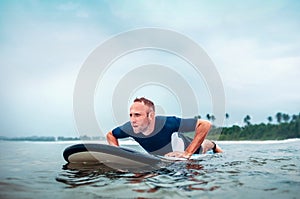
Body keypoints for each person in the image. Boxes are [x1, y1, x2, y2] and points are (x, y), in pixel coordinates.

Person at [106, 97, 223, 159]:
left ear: (151, 116)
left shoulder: (168, 123)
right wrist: (119, 155)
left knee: (204, 146)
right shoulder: (130, 128)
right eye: (131, 115)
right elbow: (110, 135)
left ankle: (214, 144)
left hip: (188, 148)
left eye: (137, 115)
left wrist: (187, 153)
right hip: (163, 158)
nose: (132, 120)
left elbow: (205, 124)